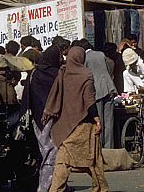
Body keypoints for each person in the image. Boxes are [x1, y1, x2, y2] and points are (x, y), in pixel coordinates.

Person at [43, 46, 108, 192]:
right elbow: (89, 101)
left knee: (62, 162)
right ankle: (100, 188)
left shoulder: (63, 72)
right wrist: (97, 120)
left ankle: (55, 190)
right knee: (93, 160)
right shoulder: (86, 75)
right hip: (83, 125)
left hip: (63, 125)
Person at [22, 45, 62, 192]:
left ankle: (56, 185)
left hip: (37, 120)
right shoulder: (58, 74)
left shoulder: (34, 74)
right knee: (51, 155)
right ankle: (45, 187)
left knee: (45, 153)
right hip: (53, 120)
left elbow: (27, 95)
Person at [78, 40, 118, 149]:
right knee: (109, 121)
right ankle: (109, 149)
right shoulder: (101, 54)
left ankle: (100, 149)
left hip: (97, 91)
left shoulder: (85, 58)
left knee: (99, 122)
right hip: (109, 88)